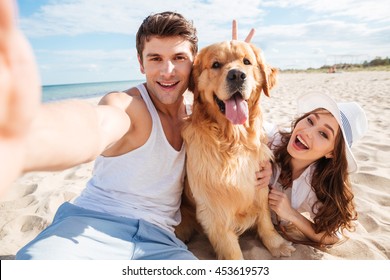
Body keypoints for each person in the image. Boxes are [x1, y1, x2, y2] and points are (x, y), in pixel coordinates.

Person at [0, 0, 266, 259]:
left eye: (179, 58)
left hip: (160, 239)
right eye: (155, 59)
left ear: (194, 66)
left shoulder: (197, 122)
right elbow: (96, 125)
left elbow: (249, 133)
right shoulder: (128, 106)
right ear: (141, 64)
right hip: (90, 228)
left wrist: (235, 62)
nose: (168, 71)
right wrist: (24, 138)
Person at [264, 92, 368, 246]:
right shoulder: (275, 140)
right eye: (310, 121)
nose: (307, 132)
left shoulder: (319, 183)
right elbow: (251, 127)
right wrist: (261, 156)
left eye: (323, 134)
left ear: (332, 152)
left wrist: (292, 215)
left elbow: (332, 235)